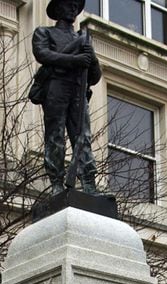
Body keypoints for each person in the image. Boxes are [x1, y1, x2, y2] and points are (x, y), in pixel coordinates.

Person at [33, 0, 102, 195]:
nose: (73, 8)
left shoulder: (83, 38)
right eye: (68, 3)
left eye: (75, 5)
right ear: (57, 8)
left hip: (78, 89)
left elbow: (95, 76)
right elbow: (43, 54)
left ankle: (89, 183)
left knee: (83, 136)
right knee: (55, 136)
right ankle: (56, 183)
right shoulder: (44, 33)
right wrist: (74, 60)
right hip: (56, 86)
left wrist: (92, 59)